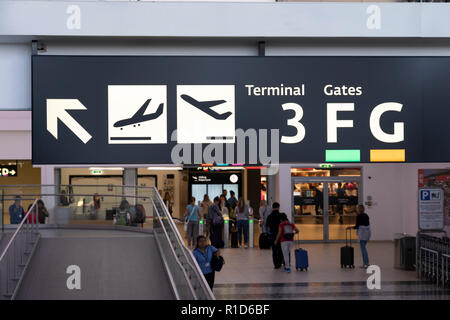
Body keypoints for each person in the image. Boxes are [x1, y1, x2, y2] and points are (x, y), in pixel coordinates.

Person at [347, 204, 371, 268]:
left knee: (363, 249)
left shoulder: (358, 216)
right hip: (367, 233)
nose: (356, 209)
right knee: (364, 248)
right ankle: (366, 263)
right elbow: (367, 224)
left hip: (362, 234)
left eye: (357, 208)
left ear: (359, 209)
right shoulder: (366, 215)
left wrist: (350, 227)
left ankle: (366, 264)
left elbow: (357, 226)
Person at [265, 202, 286, 269]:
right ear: (278, 207)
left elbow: (267, 226)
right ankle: (280, 262)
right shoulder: (282, 215)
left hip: (273, 235)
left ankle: (276, 264)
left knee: (274, 250)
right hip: (281, 235)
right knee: (280, 249)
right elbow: (286, 223)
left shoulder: (269, 216)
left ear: (272, 207)